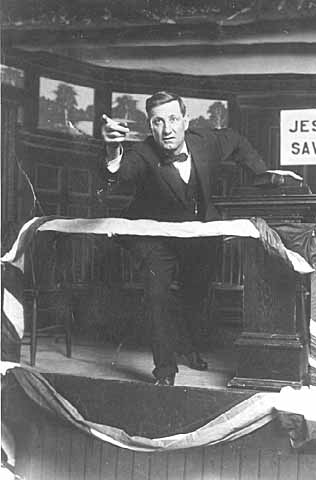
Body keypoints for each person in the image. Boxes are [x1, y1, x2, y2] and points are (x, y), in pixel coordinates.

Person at [101, 91, 296, 386]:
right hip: (155, 236)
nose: (167, 130)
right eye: (157, 122)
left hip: (200, 232)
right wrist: (111, 150)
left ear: (185, 120)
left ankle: (189, 347)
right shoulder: (142, 153)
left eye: (173, 119)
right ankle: (165, 371)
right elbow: (119, 174)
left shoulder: (206, 141)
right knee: (158, 296)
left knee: (196, 293)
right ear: (149, 125)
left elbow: (237, 140)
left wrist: (261, 174)